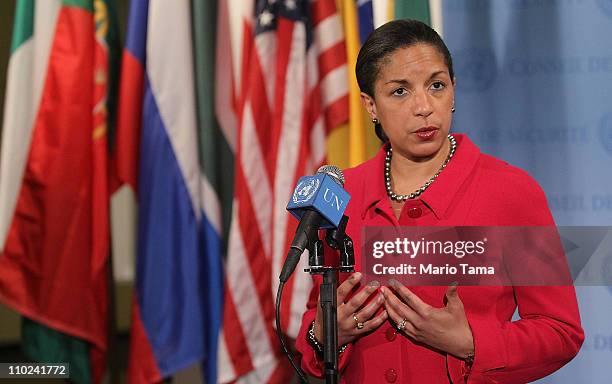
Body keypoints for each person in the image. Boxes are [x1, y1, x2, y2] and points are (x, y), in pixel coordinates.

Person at [295, 19, 584, 383]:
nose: (424, 107)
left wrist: (471, 342)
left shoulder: (511, 192)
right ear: (371, 105)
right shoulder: (340, 195)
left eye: (436, 85)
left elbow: (561, 332)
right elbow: (314, 330)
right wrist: (325, 335)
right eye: (400, 91)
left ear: (454, 90)